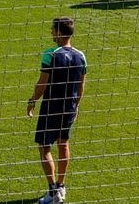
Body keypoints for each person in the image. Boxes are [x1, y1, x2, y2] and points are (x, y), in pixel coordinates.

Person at [27, 16, 87, 204]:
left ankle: (53, 191)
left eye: (53, 30)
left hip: (51, 107)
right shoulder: (81, 55)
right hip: (69, 107)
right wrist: (76, 106)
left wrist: (32, 100)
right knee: (64, 145)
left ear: (60, 33)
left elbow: (42, 83)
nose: (51, 33)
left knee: (45, 147)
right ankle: (61, 187)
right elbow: (81, 86)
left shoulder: (51, 54)